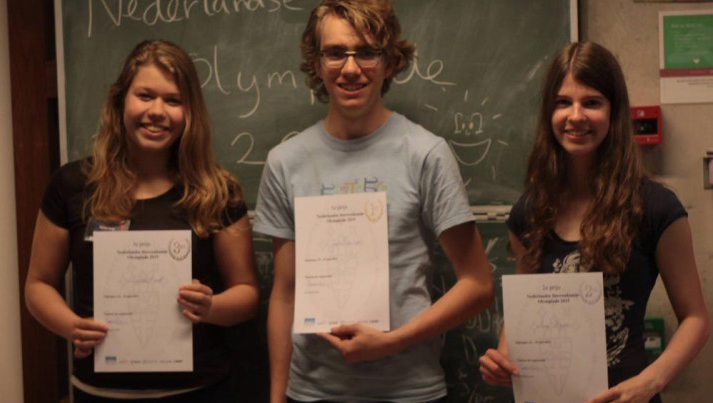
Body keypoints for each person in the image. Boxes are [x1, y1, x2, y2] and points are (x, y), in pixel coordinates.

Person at [253, 1, 494, 402]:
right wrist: (279, 396)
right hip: (312, 392)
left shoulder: (425, 154)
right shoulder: (285, 163)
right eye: (335, 52)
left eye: (366, 51)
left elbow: (478, 284)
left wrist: (392, 342)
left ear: (390, 61)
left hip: (409, 391)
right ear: (316, 62)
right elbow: (285, 293)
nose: (351, 68)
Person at [25, 40, 260, 402]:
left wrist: (211, 307)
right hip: (99, 392)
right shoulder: (71, 185)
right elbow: (38, 285)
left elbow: (246, 295)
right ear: (121, 101)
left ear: (190, 111)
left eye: (173, 100)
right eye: (145, 95)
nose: (157, 111)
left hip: (200, 391)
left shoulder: (218, 190)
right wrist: (72, 327)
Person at [479, 42, 710, 403]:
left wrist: (650, 382)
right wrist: (504, 357)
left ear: (613, 112)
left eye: (591, 102)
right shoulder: (529, 212)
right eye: (562, 102)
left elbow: (696, 320)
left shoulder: (655, 208)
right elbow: (525, 311)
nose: (576, 116)